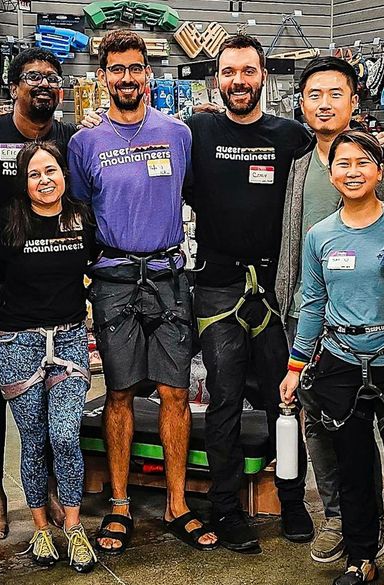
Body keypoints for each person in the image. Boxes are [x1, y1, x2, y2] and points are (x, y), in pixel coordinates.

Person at [276, 55, 384, 568]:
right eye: (314, 95)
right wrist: (298, 357)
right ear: (301, 103)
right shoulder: (298, 164)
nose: (325, 104)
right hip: (318, 320)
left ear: (354, 99)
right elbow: (304, 263)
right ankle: (347, 528)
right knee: (330, 439)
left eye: (335, 93)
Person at [68, 29, 218, 554]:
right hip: (113, 280)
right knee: (119, 393)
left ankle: (178, 503)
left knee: (176, 393)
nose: (127, 78)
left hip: (169, 278)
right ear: (103, 76)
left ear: (147, 73)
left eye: (135, 68)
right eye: (117, 69)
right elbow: (80, 210)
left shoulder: (178, 133)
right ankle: (119, 503)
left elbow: (194, 192)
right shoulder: (85, 143)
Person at [184, 33, 313, 553]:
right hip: (217, 287)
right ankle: (226, 509)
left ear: (264, 76)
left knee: (288, 399)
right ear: (219, 78)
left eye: (248, 71)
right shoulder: (195, 132)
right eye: (230, 72)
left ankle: (293, 500)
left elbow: (351, 161)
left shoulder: (292, 136)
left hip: (277, 291)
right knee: (224, 403)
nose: (239, 81)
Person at [0, 48, 77, 539]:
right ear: (13, 87)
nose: (43, 84)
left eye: (53, 78)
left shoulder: (69, 140)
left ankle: (51, 485)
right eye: (32, 77)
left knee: (53, 408)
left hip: (49, 286)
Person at [0, 142, 98, 573]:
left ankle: (73, 527)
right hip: (19, 341)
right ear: (24, 181)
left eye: (51, 171)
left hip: (70, 340)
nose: (45, 180)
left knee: (65, 434)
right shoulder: (8, 221)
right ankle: (39, 528)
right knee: (33, 441)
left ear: (64, 175)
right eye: (35, 174)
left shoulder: (80, 218)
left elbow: (95, 264)